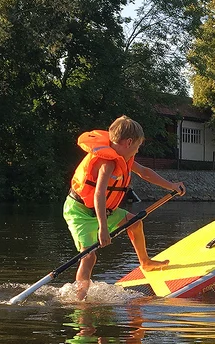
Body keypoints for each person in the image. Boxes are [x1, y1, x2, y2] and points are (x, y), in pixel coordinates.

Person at [64, 115, 186, 301]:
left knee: (135, 223)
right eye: (137, 147)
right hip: (80, 212)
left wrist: (171, 185)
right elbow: (98, 195)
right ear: (129, 142)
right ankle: (80, 299)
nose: (137, 151)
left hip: (103, 210)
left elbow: (145, 172)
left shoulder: (123, 158)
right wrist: (103, 229)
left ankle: (145, 262)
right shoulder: (107, 163)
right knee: (89, 257)